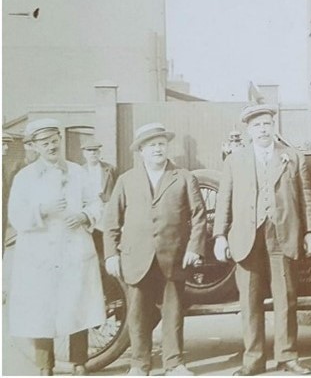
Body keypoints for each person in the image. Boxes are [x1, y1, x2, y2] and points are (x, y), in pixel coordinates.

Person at [212, 105, 311, 376]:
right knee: (249, 300)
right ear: (249, 130)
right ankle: (253, 359)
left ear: (274, 127)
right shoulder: (235, 160)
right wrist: (220, 236)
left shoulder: (292, 157)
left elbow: (306, 197)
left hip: (283, 234)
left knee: (286, 298)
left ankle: (287, 356)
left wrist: (310, 231)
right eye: (257, 125)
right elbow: (224, 200)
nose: (263, 130)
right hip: (246, 237)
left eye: (267, 124)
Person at [101, 122, 207, 376]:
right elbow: (111, 221)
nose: (158, 149)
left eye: (161, 144)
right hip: (136, 258)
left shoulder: (184, 177)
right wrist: (111, 254)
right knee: (137, 315)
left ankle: (174, 364)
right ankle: (139, 365)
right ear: (141, 151)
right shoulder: (126, 180)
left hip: (173, 257)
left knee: (173, 313)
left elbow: (199, 216)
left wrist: (194, 248)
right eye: (151, 145)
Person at [8, 119, 106, 376]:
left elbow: (96, 203)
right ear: (34, 146)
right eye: (45, 143)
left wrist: (84, 216)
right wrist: (42, 209)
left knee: (78, 305)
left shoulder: (77, 172)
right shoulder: (25, 178)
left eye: (54, 140)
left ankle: (79, 362)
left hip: (74, 251)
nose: (52, 146)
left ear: (60, 140)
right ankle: (45, 366)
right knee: (42, 310)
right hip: (40, 255)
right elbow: (15, 216)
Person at [80, 139, 117, 204]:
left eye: (95, 150)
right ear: (84, 154)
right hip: (87, 207)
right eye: (89, 150)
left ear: (99, 153)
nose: (93, 153)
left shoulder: (110, 169)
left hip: (106, 206)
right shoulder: (79, 171)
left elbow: (117, 189)